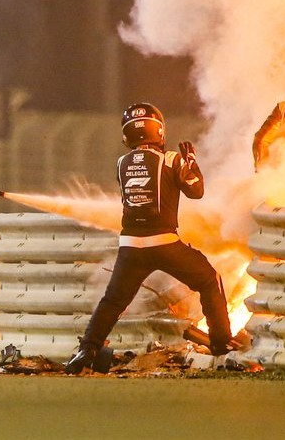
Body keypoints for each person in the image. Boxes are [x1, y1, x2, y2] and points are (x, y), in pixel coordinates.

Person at [65, 102, 232, 374]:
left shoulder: (121, 163)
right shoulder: (170, 159)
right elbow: (196, 191)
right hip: (163, 242)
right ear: (159, 131)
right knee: (208, 279)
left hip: (130, 245)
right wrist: (190, 161)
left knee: (112, 301)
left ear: (127, 135)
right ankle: (222, 345)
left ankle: (87, 349)